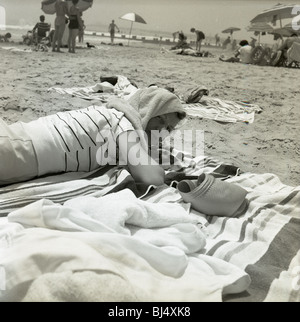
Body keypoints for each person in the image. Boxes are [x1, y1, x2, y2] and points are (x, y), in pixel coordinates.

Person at [0, 87, 187, 188]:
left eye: (169, 129)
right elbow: (150, 177)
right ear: (148, 111)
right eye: (162, 122)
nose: (162, 132)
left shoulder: (112, 115)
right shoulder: (124, 123)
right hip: (17, 147)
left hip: (18, 144)